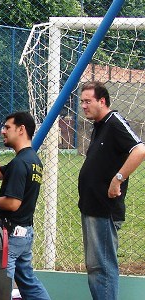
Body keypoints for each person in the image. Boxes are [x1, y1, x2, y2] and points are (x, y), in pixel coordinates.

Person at [78, 81, 145, 300]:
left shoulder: (114, 122)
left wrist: (118, 179)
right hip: (91, 207)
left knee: (103, 268)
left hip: (104, 210)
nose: (84, 106)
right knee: (95, 267)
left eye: (88, 101)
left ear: (102, 101)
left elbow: (139, 149)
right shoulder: (99, 125)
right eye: (82, 102)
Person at [0, 111, 50, 300]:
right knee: (28, 282)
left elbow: (13, 204)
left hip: (13, 234)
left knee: (2, 283)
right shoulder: (33, 161)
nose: (3, 132)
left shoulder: (20, 163)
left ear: (21, 129)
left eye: (7, 127)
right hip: (25, 233)